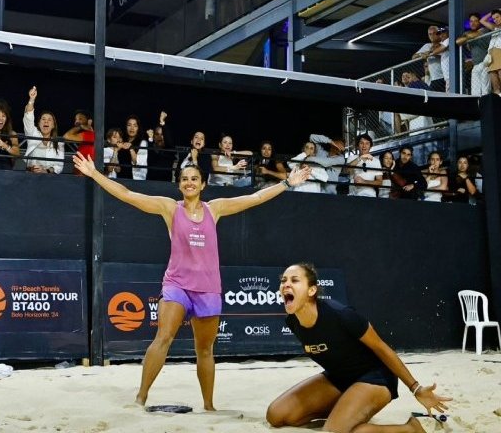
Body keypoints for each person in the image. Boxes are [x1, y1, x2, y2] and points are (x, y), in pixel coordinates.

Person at [71, 152, 312, 410]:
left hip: (208, 290)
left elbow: (254, 198)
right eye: (185, 179)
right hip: (177, 285)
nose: (189, 182)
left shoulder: (215, 209)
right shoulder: (170, 208)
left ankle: (208, 406)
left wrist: (287, 183)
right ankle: (141, 397)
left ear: (203, 184)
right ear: (179, 184)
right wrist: (95, 173)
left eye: (194, 178)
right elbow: (128, 195)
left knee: (205, 350)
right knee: (163, 337)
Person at [266, 263, 450, 432]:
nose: (286, 284)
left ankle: (412, 428)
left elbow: (381, 348)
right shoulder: (293, 322)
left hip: (375, 376)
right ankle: (345, 412)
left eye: (294, 280)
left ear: (312, 290)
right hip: (339, 378)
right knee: (276, 415)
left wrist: (415, 388)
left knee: (334, 431)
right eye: (283, 281)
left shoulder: (340, 315)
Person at [22, 87, 64, 174]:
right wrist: (31, 99)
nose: (46, 121)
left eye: (49, 120)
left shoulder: (59, 143)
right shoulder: (32, 134)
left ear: (53, 125)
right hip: (30, 177)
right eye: (43, 119)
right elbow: (28, 118)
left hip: (49, 180)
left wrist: (46, 171)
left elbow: (59, 167)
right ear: (39, 123)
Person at [455, 13, 490, 96]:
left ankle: (486, 108)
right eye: (471, 21)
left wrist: (467, 36)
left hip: (485, 63)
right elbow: (458, 41)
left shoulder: (484, 30)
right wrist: (468, 36)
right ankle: (477, 108)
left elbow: (475, 34)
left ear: (479, 22)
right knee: (475, 92)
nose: (473, 23)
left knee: (485, 90)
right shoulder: (468, 33)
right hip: (475, 65)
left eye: (475, 21)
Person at [345, 133, 382, 198]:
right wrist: (360, 158)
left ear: (370, 146)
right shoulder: (351, 158)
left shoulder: (376, 161)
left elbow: (379, 182)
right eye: (361, 143)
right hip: (353, 194)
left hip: (369, 195)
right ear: (357, 146)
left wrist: (364, 182)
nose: (364, 146)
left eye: (367, 143)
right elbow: (346, 170)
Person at [123, 115, 149, 180]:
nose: (132, 128)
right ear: (125, 127)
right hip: (121, 178)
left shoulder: (142, 143)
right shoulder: (122, 141)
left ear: (138, 128)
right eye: (129, 125)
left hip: (136, 180)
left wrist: (131, 148)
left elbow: (138, 164)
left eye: (135, 126)